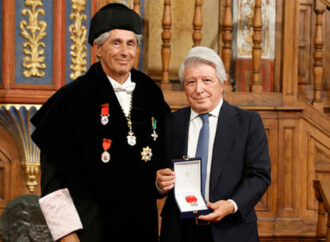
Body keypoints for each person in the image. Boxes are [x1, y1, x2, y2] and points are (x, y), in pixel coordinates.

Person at [31, 3, 170, 242]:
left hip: (141, 228)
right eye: (116, 43)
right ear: (97, 48)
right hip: (89, 229)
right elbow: (53, 180)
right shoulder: (71, 99)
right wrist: (66, 234)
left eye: (131, 43)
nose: (125, 51)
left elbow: (159, 161)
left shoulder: (151, 93)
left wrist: (159, 184)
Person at [156, 46, 271, 242]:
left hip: (231, 229)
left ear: (222, 84)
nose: (199, 89)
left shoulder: (248, 123)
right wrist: (158, 183)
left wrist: (231, 204)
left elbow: (259, 176)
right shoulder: (170, 123)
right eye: (191, 82)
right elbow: (157, 171)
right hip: (180, 231)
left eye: (207, 81)